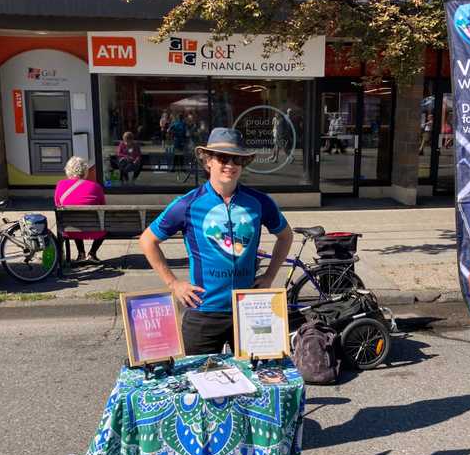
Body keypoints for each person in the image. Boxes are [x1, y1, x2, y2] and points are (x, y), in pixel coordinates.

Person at [139, 127, 294, 354]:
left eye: (237, 159)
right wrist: (173, 283)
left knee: (256, 380)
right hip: (204, 311)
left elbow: (285, 235)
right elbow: (147, 241)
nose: (230, 164)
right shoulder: (188, 204)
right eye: (222, 158)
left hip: (249, 309)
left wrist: (270, 275)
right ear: (208, 161)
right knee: (199, 381)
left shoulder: (259, 202)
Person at [54, 156, 106, 264]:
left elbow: (57, 204)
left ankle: (81, 254)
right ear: (85, 171)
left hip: (69, 228)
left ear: (68, 170)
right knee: (105, 224)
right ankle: (92, 254)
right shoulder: (96, 187)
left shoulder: (60, 185)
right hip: (95, 229)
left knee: (74, 219)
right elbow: (103, 206)